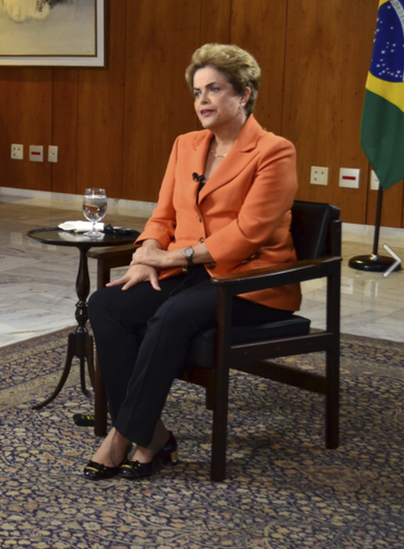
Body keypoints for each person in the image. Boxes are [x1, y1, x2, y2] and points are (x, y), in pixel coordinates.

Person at [84, 44, 300, 481]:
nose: (202, 100)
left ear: (245, 94)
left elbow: (247, 235)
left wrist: (174, 256)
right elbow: (163, 214)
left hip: (251, 281)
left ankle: (123, 437)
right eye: (197, 91)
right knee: (105, 305)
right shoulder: (186, 145)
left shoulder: (275, 151)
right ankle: (154, 435)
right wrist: (146, 254)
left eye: (214, 89)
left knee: (170, 315)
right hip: (189, 269)